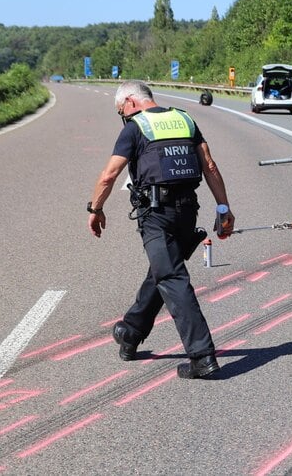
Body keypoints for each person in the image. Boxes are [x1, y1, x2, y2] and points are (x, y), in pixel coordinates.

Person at [87, 80, 234, 379]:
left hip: (156, 214)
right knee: (163, 270)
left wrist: (95, 209)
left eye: (122, 112)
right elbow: (210, 165)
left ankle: (202, 356)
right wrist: (223, 207)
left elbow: (109, 175)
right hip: (187, 212)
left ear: (130, 101)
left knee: (171, 276)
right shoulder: (184, 119)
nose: (124, 118)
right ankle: (131, 331)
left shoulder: (135, 127)